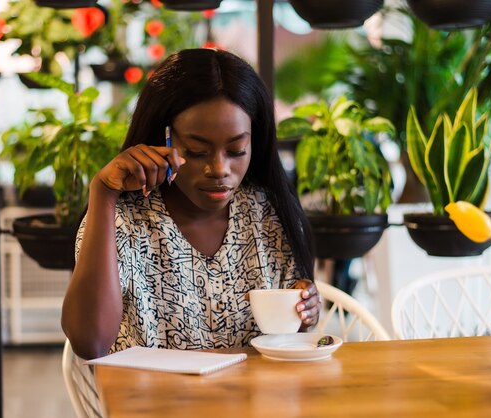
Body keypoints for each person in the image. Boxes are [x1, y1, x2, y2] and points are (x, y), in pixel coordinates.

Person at [62, 48, 319, 359]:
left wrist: (305, 311)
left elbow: (287, 339)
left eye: (237, 150)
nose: (220, 168)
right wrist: (102, 193)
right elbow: (90, 344)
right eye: (197, 151)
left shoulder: (266, 214)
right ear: (164, 139)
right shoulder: (124, 220)